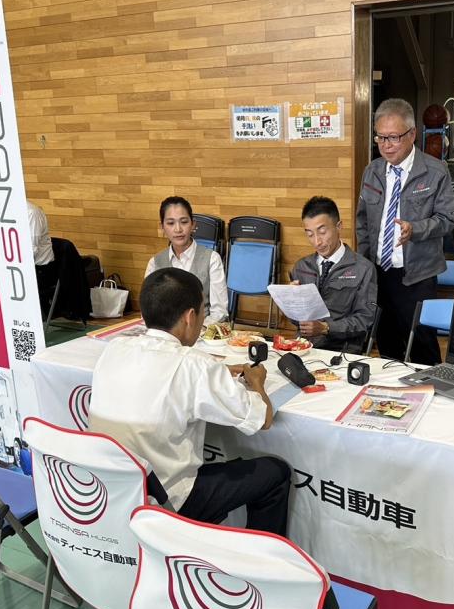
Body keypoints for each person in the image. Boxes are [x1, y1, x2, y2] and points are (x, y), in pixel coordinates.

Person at [89, 267, 291, 536]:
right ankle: (263, 566)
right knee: (275, 473)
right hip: (165, 502)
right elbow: (262, 419)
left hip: (110, 492)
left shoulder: (114, 349)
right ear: (190, 317)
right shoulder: (194, 365)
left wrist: (215, 374)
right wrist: (256, 381)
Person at [355, 99, 454, 364]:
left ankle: (429, 391)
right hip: (380, 272)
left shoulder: (435, 171)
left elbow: (448, 219)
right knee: (386, 338)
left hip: (418, 275)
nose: (386, 145)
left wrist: (418, 229)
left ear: (412, 134)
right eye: (380, 138)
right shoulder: (372, 171)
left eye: (393, 138)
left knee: (422, 341)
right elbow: (362, 221)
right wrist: (365, 265)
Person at [289, 196, 376, 352]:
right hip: (303, 348)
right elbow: (296, 321)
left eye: (322, 232)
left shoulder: (363, 268)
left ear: (339, 226)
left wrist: (326, 328)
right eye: (310, 234)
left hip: (343, 351)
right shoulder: (301, 267)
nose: (317, 242)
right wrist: (291, 302)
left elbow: (365, 319)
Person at [145, 196, 228, 326]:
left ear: (193, 224)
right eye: (171, 223)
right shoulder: (155, 262)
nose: (178, 229)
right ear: (162, 226)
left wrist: (197, 331)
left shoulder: (211, 258)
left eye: (183, 222)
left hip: (200, 333)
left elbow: (219, 311)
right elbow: (149, 307)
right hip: (165, 334)